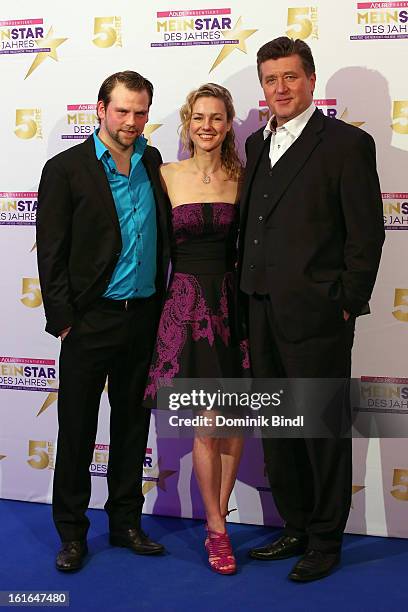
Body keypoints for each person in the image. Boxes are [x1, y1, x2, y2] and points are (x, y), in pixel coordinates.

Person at [239, 37, 385, 581]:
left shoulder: (346, 144)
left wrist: (346, 300)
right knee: (279, 427)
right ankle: (295, 525)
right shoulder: (255, 144)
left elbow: (365, 233)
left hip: (319, 314)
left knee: (321, 430)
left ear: (310, 80)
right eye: (271, 79)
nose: (280, 88)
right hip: (260, 308)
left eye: (290, 77)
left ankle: (326, 539)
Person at [36, 71, 171, 571]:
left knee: (133, 428)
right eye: (122, 111)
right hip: (90, 322)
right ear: (100, 109)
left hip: (143, 319)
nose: (132, 121)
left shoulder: (151, 161)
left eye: (140, 112)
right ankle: (71, 533)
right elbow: (50, 252)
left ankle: (125, 523)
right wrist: (65, 320)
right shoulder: (66, 168)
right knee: (76, 431)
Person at [144, 83, 249, 575]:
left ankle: (219, 513)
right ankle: (216, 528)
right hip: (184, 306)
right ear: (188, 123)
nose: (207, 126)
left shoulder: (244, 178)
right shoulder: (164, 175)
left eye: (218, 118)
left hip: (233, 306)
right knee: (207, 422)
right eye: (199, 117)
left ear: (229, 125)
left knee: (233, 423)